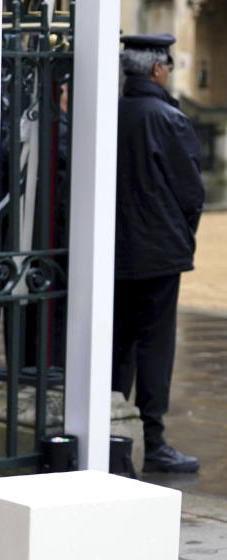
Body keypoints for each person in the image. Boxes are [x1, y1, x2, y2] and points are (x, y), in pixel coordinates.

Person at [113, 33, 205, 474]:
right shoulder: (168, 117)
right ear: (157, 69)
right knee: (154, 348)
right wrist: (182, 237)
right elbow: (191, 193)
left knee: (118, 345)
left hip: (114, 251)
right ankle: (154, 440)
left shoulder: (111, 113)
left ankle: (112, 433)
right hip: (158, 254)